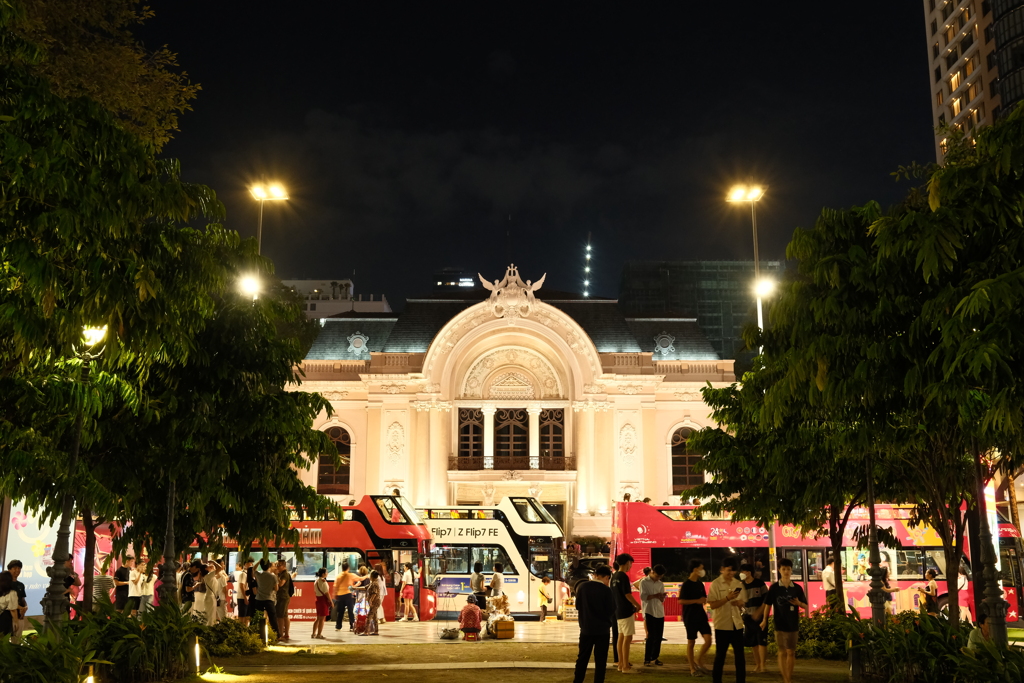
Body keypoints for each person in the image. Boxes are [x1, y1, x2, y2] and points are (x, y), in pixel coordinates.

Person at [761, 558, 807, 683]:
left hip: (793, 624)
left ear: (791, 570)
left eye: (788, 569)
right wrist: (764, 620)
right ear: (780, 570)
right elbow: (768, 604)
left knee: (791, 652)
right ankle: (786, 680)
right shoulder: (774, 588)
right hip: (779, 623)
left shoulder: (797, 588)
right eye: (784, 569)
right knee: (782, 651)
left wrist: (799, 603)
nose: (786, 571)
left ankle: (788, 678)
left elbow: (806, 605)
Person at [572, 565, 616, 683]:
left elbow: (577, 606)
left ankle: (578, 680)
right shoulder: (607, 591)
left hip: (586, 629)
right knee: (601, 661)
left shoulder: (583, 587)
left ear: (595, 575)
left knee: (582, 658)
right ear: (607, 577)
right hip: (602, 630)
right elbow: (611, 610)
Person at [708, 556, 747, 683]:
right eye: (729, 570)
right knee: (720, 656)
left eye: (733, 571)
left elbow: (744, 603)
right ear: (722, 569)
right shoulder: (716, 584)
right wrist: (727, 598)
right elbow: (712, 605)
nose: (731, 573)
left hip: (737, 624)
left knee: (740, 657)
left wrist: (740, 603)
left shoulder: (738, 584)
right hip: (722, 625)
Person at [611, 553, 641, 674]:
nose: (631, 566)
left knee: (621, 637)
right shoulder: (623, 576)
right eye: (630, 563)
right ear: (627, 563)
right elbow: (627, 594)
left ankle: (621, 664)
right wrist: (637, 605)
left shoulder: (614, 576)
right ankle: (625, 667)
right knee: (627, 638)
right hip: (626, 610)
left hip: (617, 610)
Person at [681, 559, 712, 676]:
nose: (703, 571)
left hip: (701, 615)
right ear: (695, 569)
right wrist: (696, 601)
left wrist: (705, 600)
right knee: (691, 642)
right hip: (690, 616)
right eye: (701, 568)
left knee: (708, 640)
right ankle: (692, 668)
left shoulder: (700, 584)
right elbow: (681, 601)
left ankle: (699, 660)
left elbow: (703, 598)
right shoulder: (687, 584)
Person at [740, 562, 768, 674]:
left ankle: (763, 665)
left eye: (743, 572)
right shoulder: (741, 585)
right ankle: (757, 665)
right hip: (748, 617)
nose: (741, 574)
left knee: (762, 641)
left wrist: (759, 612)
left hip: (760, 617)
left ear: (748, 572)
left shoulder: (759, 583)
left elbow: (766, 600)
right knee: (753, 643)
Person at [639, 564, 666, 667]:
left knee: (658, 637)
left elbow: (662, 600)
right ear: (653, 572)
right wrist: (656, 595)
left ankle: (655, 657)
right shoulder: (644, 582)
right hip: (649, 611)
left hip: (659, 611)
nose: (658, 578)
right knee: (651, 636)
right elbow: (643, 597)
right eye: (657, 576)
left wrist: (662, 597)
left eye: (660, 576)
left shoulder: (660, 584)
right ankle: (647, 659)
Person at [253, 559, 279, 637]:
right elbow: (276, 588)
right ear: (269, 566)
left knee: (258, 617)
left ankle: (258, 633)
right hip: (269, 599)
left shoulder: (259, 575)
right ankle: (277, 635)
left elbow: (253, 569)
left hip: (259, 599)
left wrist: (259, 561)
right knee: (272, 618)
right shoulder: (273, 576)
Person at [334, 561, 360, 630]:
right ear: (348, 568)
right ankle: (352, 626)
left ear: (342, 568)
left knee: (340, 612)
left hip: (340, 595)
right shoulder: (350, 575)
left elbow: (335, 586)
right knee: (350, 611)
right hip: (348, 595)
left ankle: (338, 626)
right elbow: (351, 586)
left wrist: (335, 594)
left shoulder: (338, 576)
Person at [358, 570, 383, 636]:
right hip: (375, 602)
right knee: (374, 616)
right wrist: (355, 588)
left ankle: (366, 632)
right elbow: (365, 587)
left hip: (374, 602)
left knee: (369, 616)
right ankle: (376, 631)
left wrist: (370, 601)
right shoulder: (372, 583)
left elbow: (374, 594)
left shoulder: (374, 584)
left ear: (372, 576)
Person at [7, 560, 26, 643]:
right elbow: (9, 601)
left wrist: (25, 607)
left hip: (19, 615)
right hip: (7, 615)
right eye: (14, 568)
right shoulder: (5, 584)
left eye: (19, 568)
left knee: (18, 640)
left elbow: (22, 598)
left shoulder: (20, 585)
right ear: (9, 570)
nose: (17, 570)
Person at [275, 560, 294, 639]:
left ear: (283, 566)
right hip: (282, 596)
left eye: (278, 565)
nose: (277, 567)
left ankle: (281, 634)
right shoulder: (282, 574)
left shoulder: (284, 574)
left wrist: (275, 575)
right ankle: (285, 634)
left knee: (280, 616)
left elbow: (280, 584)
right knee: (284, 615)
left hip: (283, 597)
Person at [312, 567, 331, 639]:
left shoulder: (316, 581)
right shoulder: (324, 582)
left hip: (318, 600)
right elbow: (327, 593)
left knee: (318, 618)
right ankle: (319, 634)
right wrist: (331, 602)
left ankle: (313, 633)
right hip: (323, 601)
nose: (327, 573)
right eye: (327, 572)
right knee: (322, 618)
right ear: (323, 574)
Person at [234, 558, 253, 624]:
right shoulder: (243, 574)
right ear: (246, 564)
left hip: (246, 597)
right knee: (242, 616)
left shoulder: (248, 574)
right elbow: (242, 586)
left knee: (247, 616)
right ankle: (241, 630)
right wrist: (245, 597)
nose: (251, 565)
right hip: (242, 597)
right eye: (250, 563)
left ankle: (245, 630)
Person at [0, 571, 18, 637]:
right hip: (4, 618)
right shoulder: (12, 593)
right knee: (3, 640)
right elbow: (12, 609)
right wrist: (16, 622)